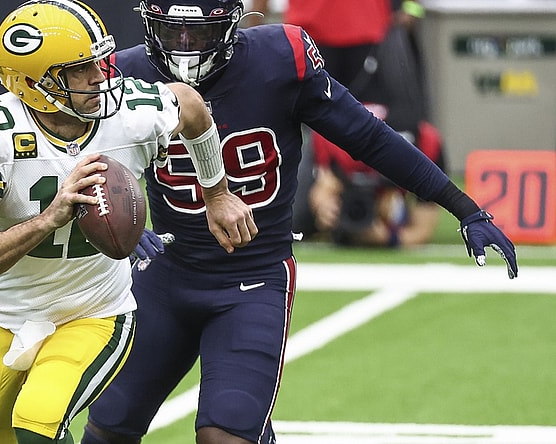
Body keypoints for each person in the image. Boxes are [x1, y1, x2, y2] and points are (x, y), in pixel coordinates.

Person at [83, 1, 518, 444]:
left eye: (200, 34)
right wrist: (121, 218)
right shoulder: (125, 74)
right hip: (165, 275)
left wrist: (462, 205)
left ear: (231, 25)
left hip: (252, 278)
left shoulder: (277, 61)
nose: (185, 47)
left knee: (225, 435)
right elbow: (78, 159)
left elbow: (368, 137)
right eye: (172, 32)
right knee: (107, 428)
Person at [0, 1, 256, 443]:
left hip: (94, 311)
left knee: (37, 424)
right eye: (80, 70)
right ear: (34, 84)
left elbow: (192, 106)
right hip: (6, 313)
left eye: (100, 62)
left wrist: (216, 192)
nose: (100, 77)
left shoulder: (132, 113)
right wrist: (49, 219)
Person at [308, 109, 445, 248]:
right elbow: (324, 187)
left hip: (394, 190)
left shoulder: (426, 144)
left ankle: (394, 210)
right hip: (340, 165)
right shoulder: (335, 140)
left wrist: (389, 238)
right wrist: (324, 208)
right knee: (300, 221)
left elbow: (422, 229)